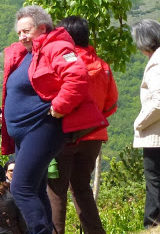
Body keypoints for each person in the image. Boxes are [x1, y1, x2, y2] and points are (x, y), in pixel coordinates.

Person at [0, 5, 107, 233]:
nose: (22, 36)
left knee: (21, 187)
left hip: (42, 129)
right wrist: (7, 116)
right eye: (19, 33)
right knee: (34, 189)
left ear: (42, 28)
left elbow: (77, 77)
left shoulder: (56, 47)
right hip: (24, 134)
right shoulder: (27, 54)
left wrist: (59, 107)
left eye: (26, 31)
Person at [46, 16, 117, 234]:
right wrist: (92, 122)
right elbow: (111, 104)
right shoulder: (102, 66)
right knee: (82, 188)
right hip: (94, 137)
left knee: (56, 191)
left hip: (64, 136)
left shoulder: (64, 64)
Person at [131, 19, 160, 228]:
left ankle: (152, 224)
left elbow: (159, 101)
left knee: (154, 180)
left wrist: (139, 123)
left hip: (155, 135)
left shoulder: (157, 63)